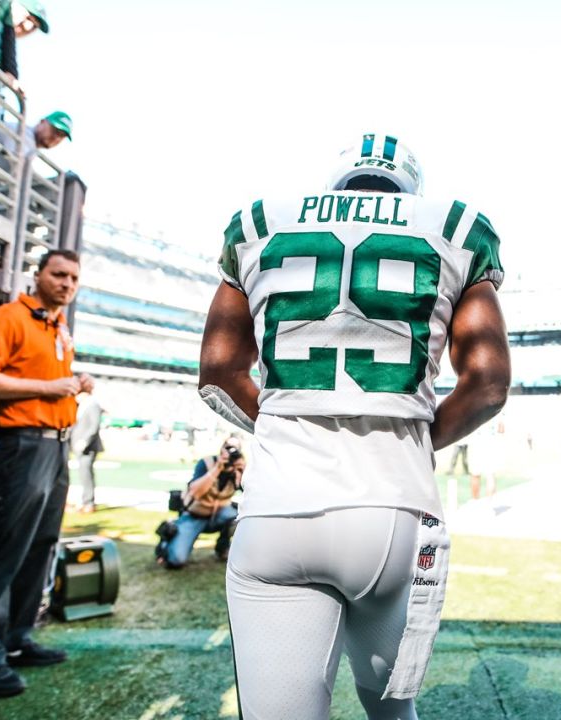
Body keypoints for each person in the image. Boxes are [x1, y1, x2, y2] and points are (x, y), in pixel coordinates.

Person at [199, 132, 511, 719]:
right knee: (393, 714)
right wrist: (420, 441)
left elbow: (217, 372)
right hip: (397, 512)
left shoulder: (258, 221)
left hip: (278, 509)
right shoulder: (456, 225)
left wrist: (283, 425)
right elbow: (489, 384)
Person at [0, 249, 92, 697]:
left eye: (73, 277)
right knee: (3, 549)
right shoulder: (9, 317)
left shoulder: (58, 325)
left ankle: (15, 640)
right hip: (21, 445)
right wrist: (50, 387)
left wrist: (74, 380)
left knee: (39, 546)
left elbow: (46, 376)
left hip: (55, 446)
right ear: (38, 275)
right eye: (59, 274)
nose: (67, 283)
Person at [155, 436, 245, 569]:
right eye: (228, 447)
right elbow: (195, 492)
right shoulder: (207, 463)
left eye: (235, 449)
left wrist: (242, 474)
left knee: (242, 516)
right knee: (176, 560)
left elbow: (251, 494)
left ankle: (222, 546)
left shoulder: (238, 470)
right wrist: (217, 469)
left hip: (219, 515)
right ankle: (167, 537)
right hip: (194, 515)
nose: (231, 451)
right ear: (221, 448)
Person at [71, 391, 104, 514]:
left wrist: (84, 441)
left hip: (87, 446)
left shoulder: (93, 404)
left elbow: (94, 426)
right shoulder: (82, 405)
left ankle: (89, 503)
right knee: (82, 473)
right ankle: (84, 501)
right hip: (77, 444)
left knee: (86, 474)